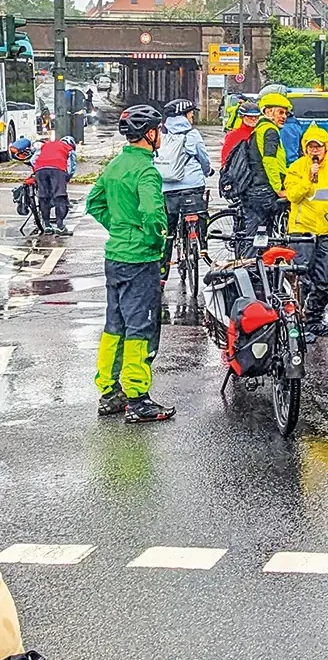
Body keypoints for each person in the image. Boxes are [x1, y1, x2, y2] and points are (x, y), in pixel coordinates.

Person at [86, 105, 176, 423]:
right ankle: (138, 399)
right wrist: (154, 241)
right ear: (150, 134)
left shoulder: (116, 164)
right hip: (141, 258)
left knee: (115, 326)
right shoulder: (146, 171)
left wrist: (120, 228)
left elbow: (93, 202)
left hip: (116, 255)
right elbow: (153, 214)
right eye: (159, 131)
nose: (161, 136)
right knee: (141, 327)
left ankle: (109, 392)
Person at [285, 125, 328, 340]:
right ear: (305, 148)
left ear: (326, 148)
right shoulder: (296, 168)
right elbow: (293, 195)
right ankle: (297, 323)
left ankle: (313, 320)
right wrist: (308, 179)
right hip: (302, 230)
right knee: (301, 278)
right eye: (311, 146)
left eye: (318, 147)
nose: (315, 151)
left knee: (324, 279)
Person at [157, 98, 215, 277]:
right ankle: (202, 244)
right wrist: (208, 171)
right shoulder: (192, 135)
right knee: (200, 213)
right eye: (190, 114)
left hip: (168, 188)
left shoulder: (161, 133)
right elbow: (203, 158)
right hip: (193, 185)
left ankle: (162, 275)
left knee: (168, 231)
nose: (192, 117)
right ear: (183, 115)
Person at [238, 91, 293, 256]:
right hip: (263, 189)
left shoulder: (259, 129)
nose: (284, 116)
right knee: (262, 235)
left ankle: (252, 269)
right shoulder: (270, 131)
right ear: (268, 112)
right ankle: (256, 271)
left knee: (255, 234)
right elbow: (269, 161)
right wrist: (278, 188)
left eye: (286, 113)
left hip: (252, 189)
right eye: (280, 112)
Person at [32, 135, 77, 235]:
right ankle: (60, 227)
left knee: (43, 197)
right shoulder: (69, 148)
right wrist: (66, 178)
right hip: (57, 169)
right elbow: (71, 167)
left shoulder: (46, 145)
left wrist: (37, 171)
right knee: (59, 197)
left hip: (40, 169)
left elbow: (33, 160)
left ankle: (47, 226)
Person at [221, 101, 261, 166]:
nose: (253, 119)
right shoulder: (233, 135)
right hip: (239, 172)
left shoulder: (260, 132)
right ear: (242, 117)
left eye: (256, 117)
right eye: (249, 117)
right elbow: (225, 157)